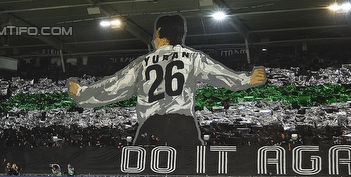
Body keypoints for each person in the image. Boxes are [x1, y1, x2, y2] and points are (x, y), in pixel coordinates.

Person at [68, 14, 266, 147]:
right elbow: (219, 74)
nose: (153, 39)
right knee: (191, 173)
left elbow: (115, 86)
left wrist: (82, 93)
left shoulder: (144, 62)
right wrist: (246, 79)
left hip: (151, 126)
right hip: (183, 126)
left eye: (155, 34)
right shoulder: (192, 57)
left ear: (162, 34)